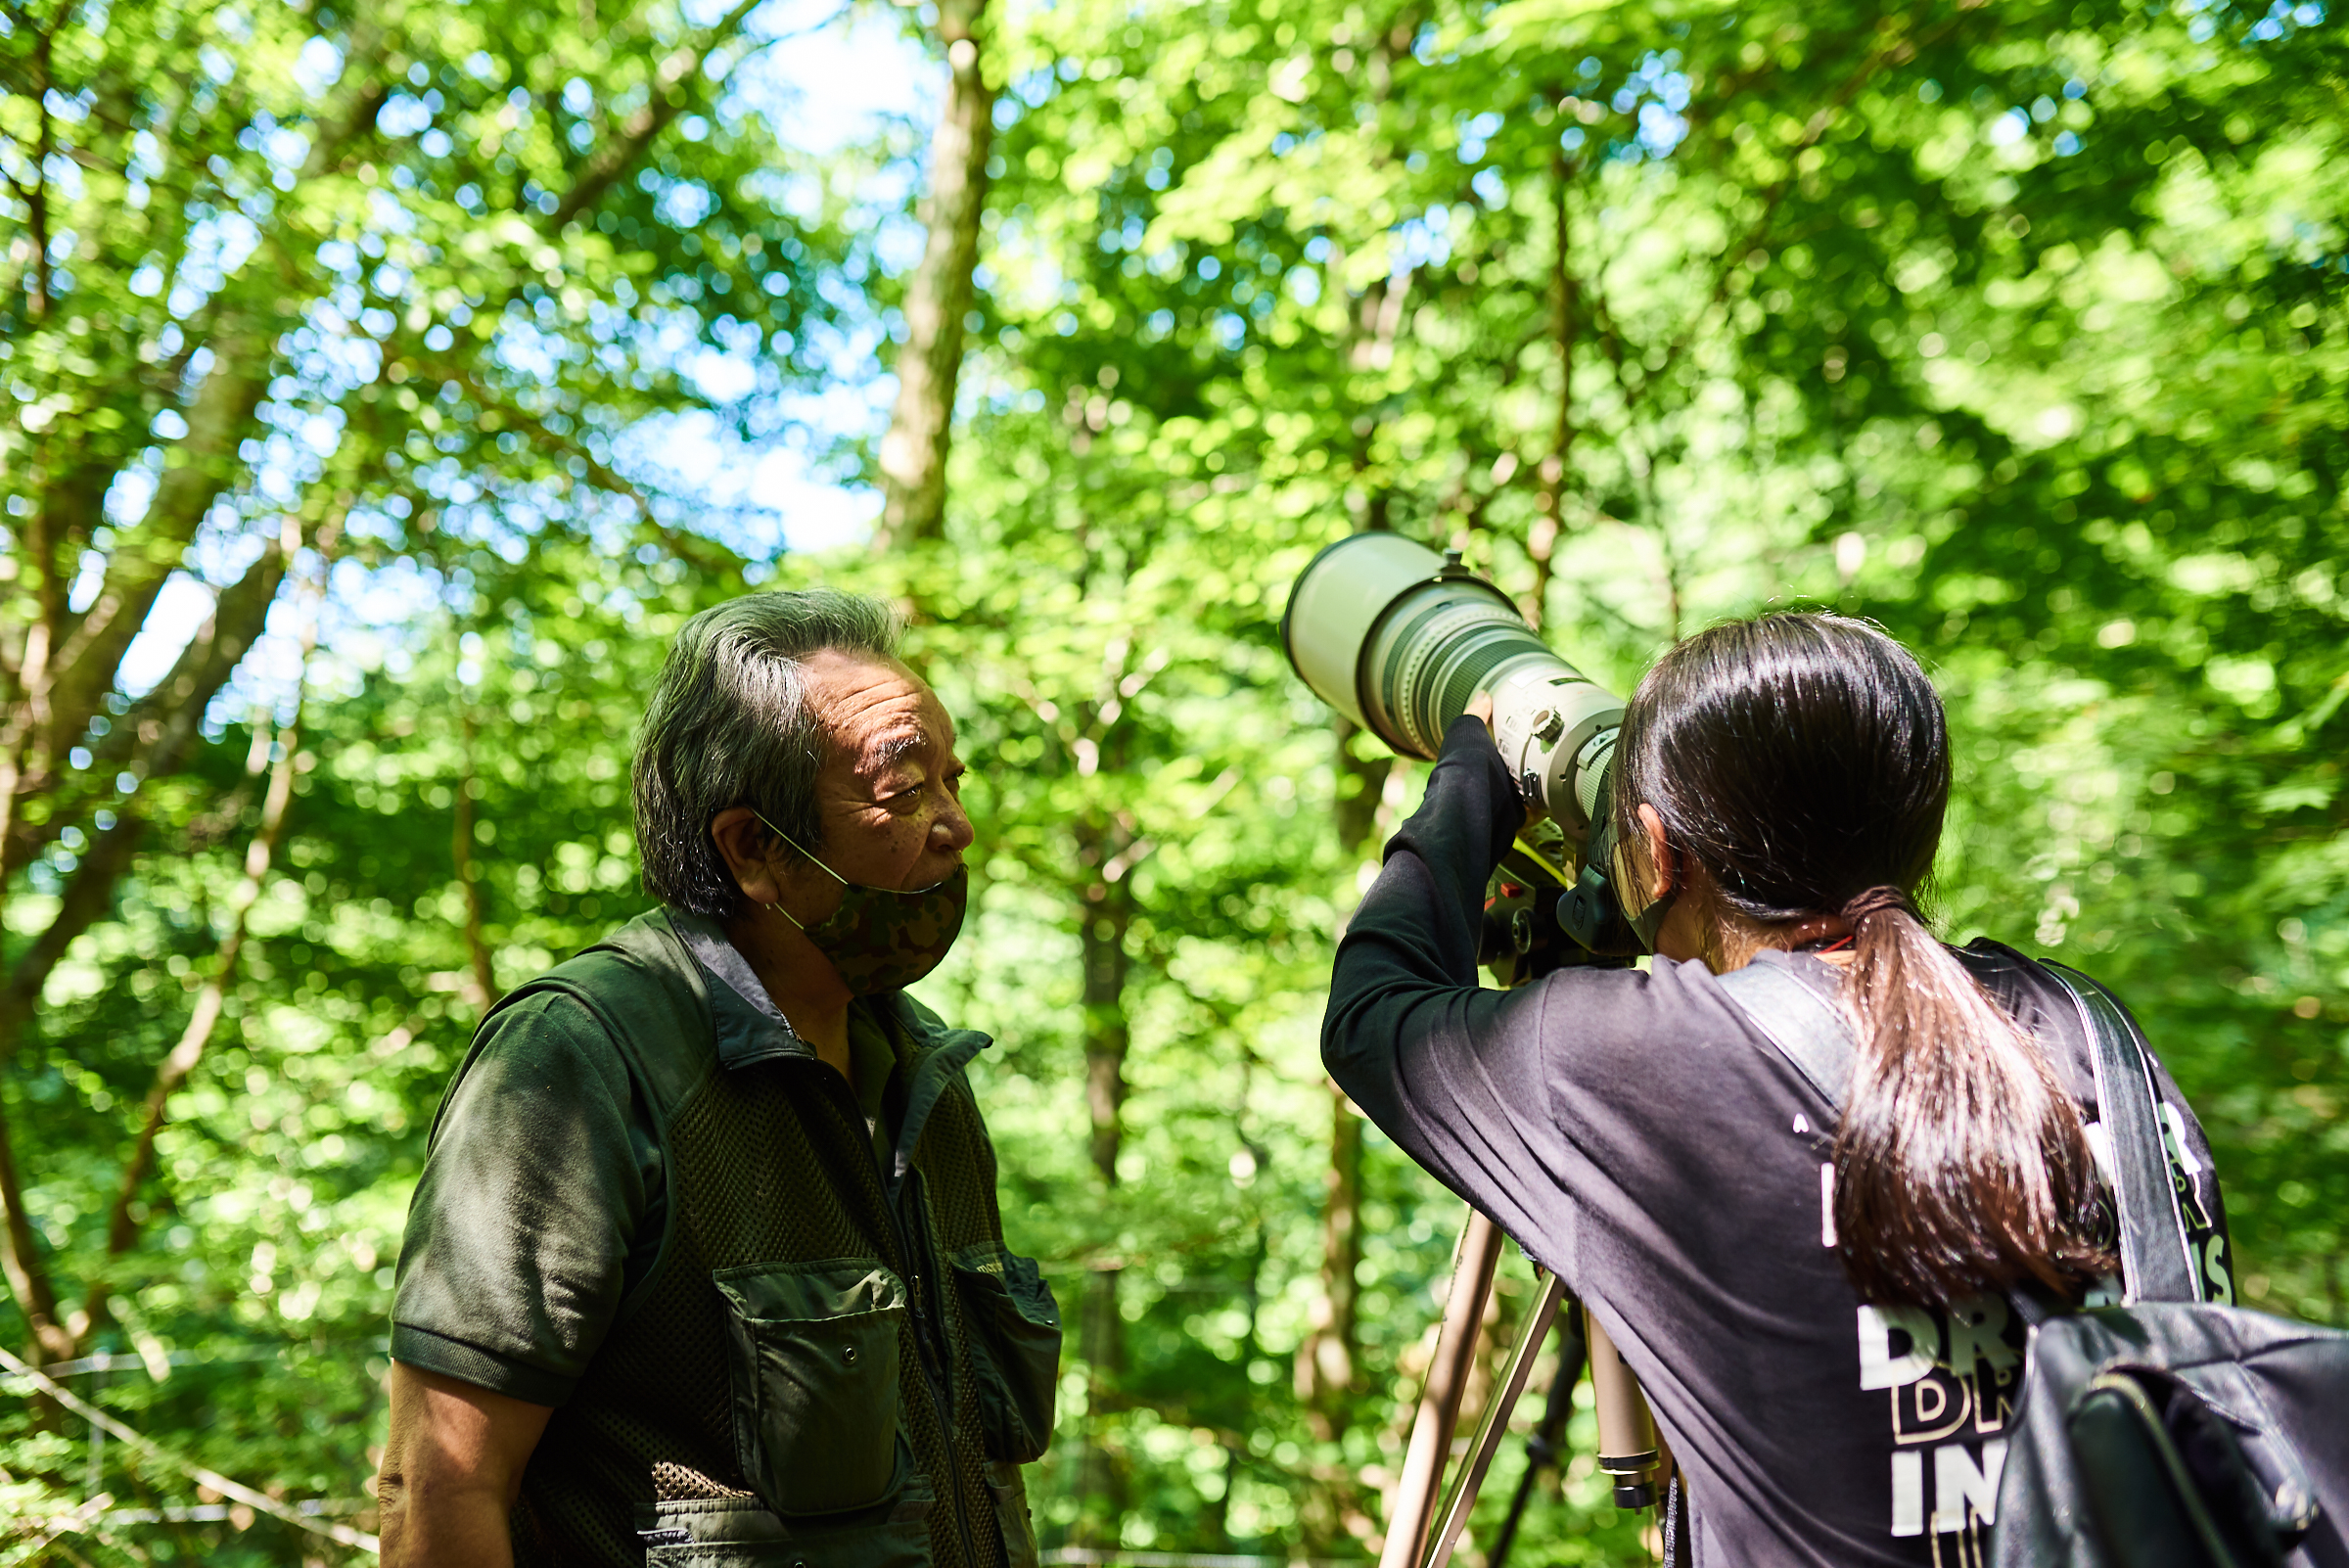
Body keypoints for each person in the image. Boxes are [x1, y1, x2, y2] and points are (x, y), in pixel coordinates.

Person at [1322, 612, 2234, 1567]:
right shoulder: (2090, 1032)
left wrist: (1473, 774)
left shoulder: (1642, 1069)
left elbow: (1371, 1011)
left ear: (1654, 850)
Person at [375, 591, 1061, 1568]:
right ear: (753, 849)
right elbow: (442, 1487)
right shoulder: (584, 1061)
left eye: (954, 782)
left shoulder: (929, 1081)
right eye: (905, 789)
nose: (956, 827)